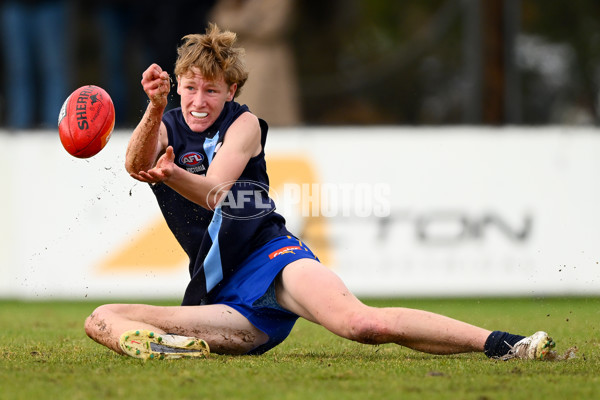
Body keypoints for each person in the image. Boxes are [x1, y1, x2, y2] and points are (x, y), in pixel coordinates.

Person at [84, 24, 557, 361]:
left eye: (211, 90)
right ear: (178, 87)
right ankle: (172, 350)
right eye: (189, 89)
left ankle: (504, 344)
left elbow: (219, 192)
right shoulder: (165, 122)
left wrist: (171, 176)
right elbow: (135, 164)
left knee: (363, 325)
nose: (199, 101)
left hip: (270, 257)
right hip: (219, 294)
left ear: (231, 90)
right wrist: (153, 107)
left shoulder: (243, 124)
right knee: (102, 317)